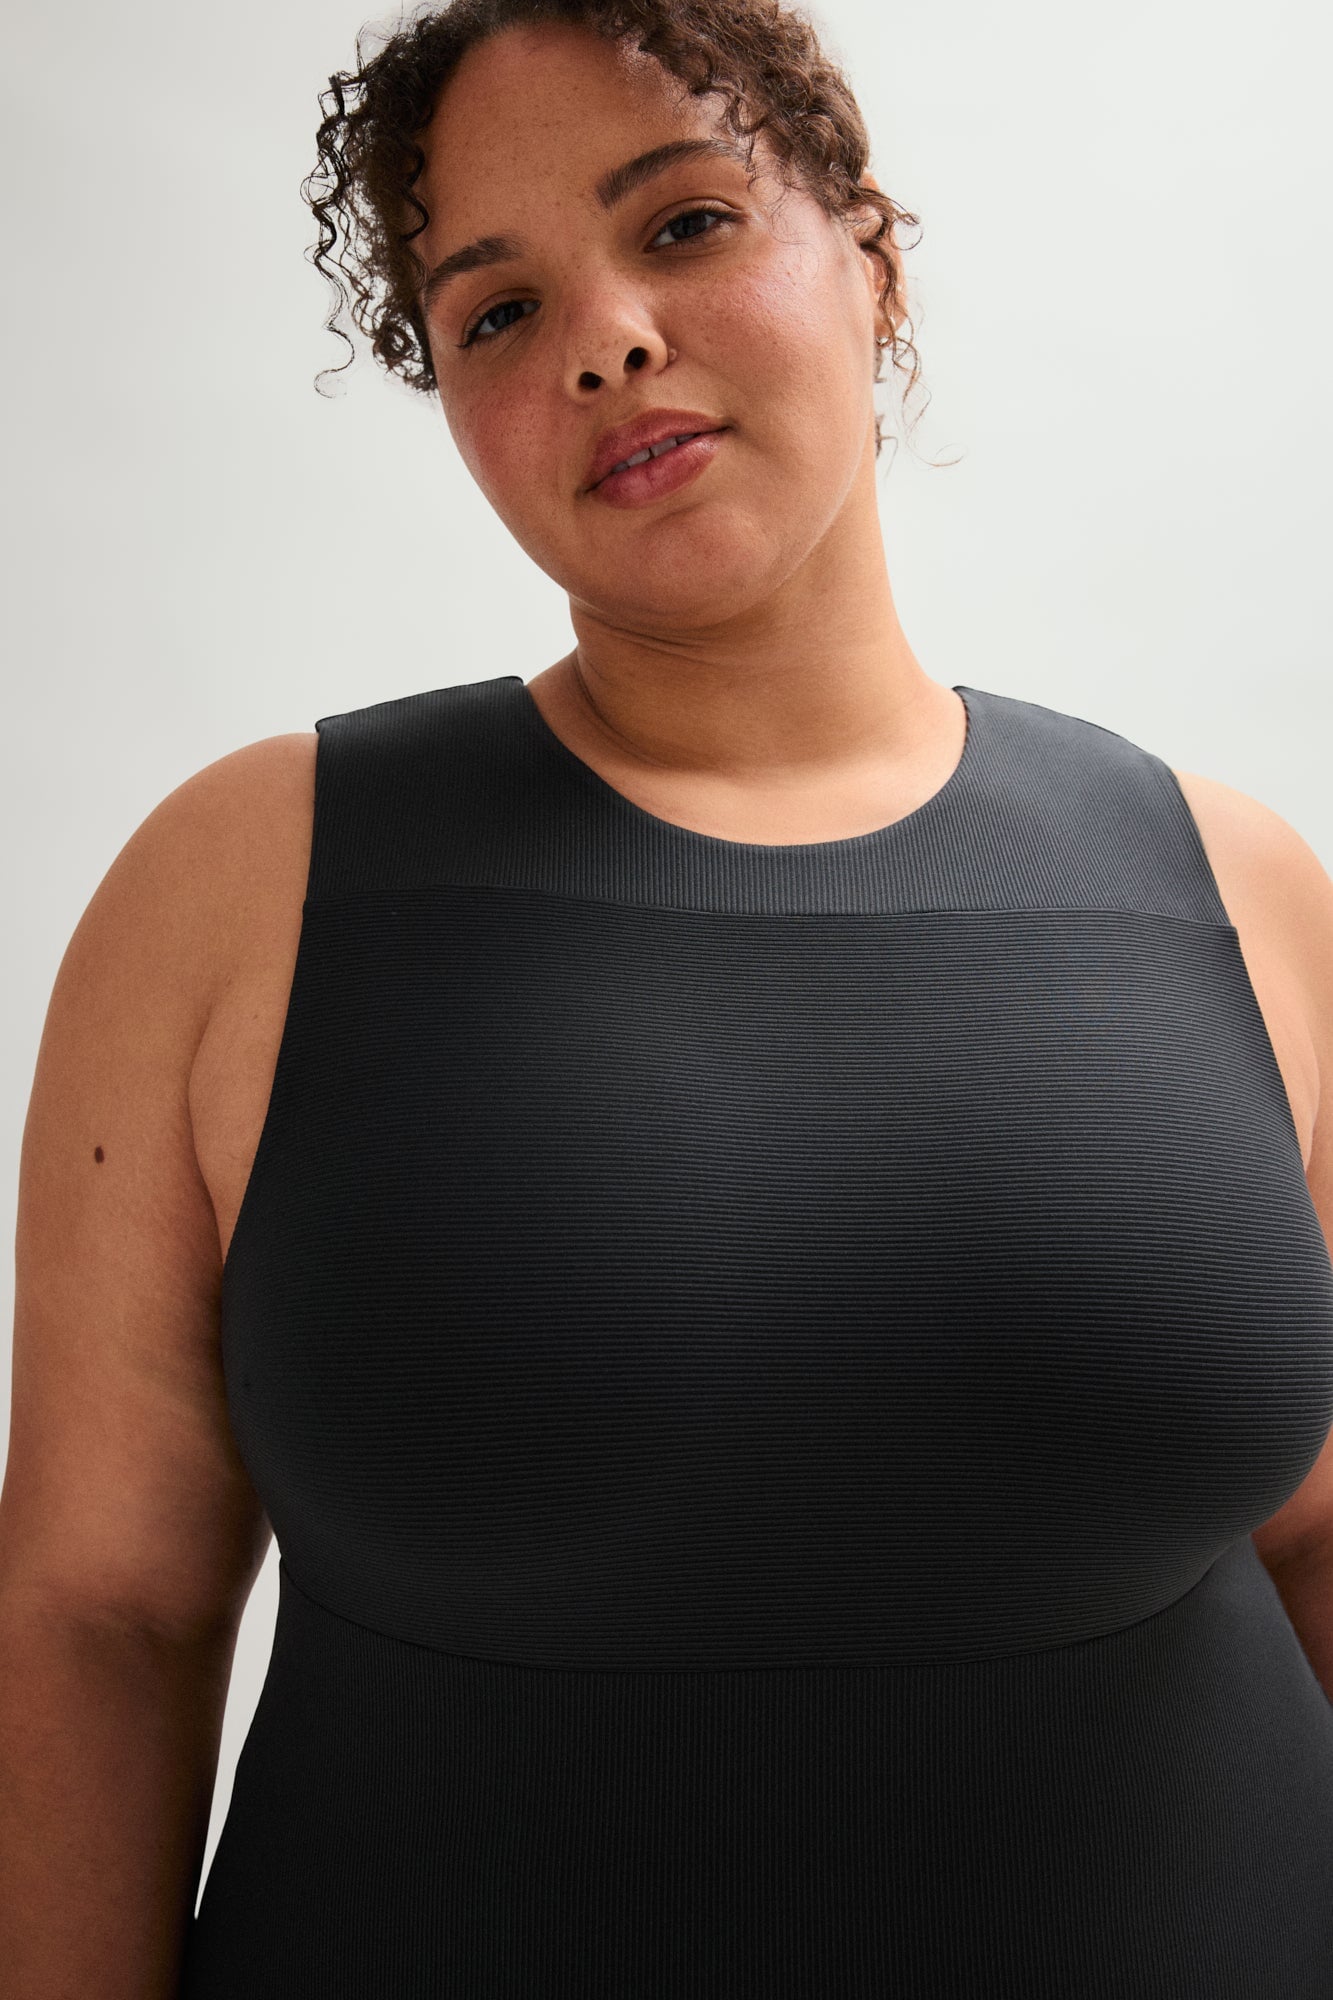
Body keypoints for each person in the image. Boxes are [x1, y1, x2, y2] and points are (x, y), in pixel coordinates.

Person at [4, 1, 1333, 1993]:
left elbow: (1311, 1532)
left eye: (686, 223)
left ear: (870, 253)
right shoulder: (247, 887)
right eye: (496, 311)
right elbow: (99, 1613)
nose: (604, 339)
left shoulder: (1233, 889)